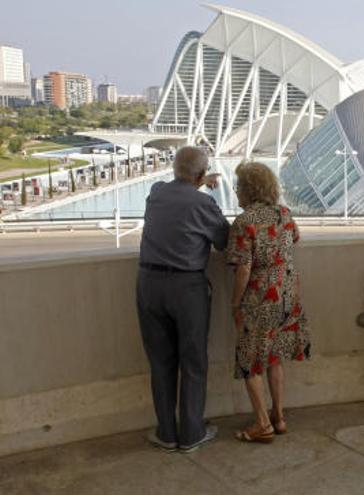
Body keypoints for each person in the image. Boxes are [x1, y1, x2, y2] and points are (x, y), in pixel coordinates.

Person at [136, 146, 228, 453]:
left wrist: (198, 181)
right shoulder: (204, 204)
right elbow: (224, 241)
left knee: (160, 361)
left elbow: (178, 187)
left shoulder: (155, 193)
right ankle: (191, 433)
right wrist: (206, 192)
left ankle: (166, 432)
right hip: (186, 287)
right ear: (201, 176)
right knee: (192, 361)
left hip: (148, 283)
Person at [226, 161, 310, 443]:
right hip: (287, 294)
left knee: (251, 361)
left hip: (259, 297)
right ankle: (280, 416)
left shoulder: (244, 222)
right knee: (273, 356)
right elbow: (295, 239)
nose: (236, 192)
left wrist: (235, 304)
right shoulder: (284, 214)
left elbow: (243, 268)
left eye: (238, 187)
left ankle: (262, 424)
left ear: (249, 190)